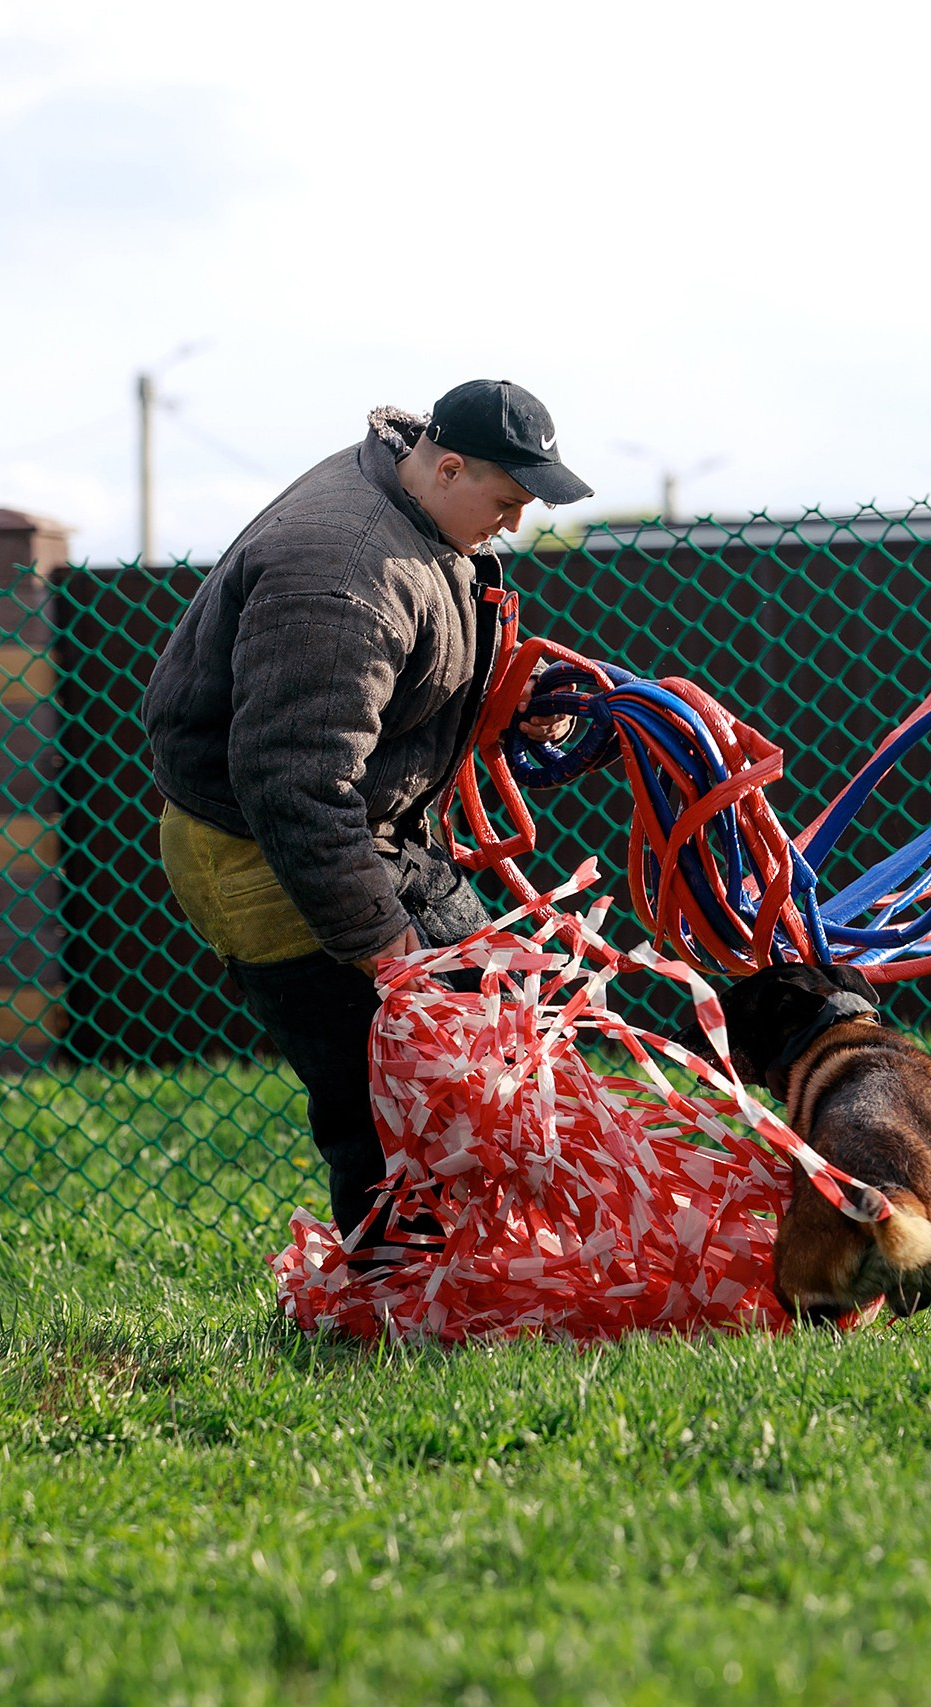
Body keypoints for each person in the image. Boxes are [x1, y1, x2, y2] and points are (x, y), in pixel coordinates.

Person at [142, 381, 592, 1253]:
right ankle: (395, 1308)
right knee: (385, 1094)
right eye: (505, 502)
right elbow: (293, 782)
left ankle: (483, 1270)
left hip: (361, 825)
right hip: (263, 846)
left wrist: (505, 694)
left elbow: (396, 675)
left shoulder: (414, 501)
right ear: (449, 464)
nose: (511, 526)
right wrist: (389, 958)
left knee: (493, 1024)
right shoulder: (344, 572)